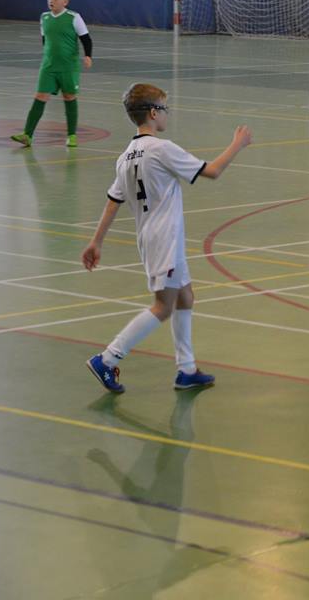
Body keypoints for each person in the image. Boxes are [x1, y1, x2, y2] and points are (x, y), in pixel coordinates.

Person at [81, 83, 253, 393]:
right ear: (152, 113)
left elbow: (113, 201)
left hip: (150, 238)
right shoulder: (162, 149)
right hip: (165, 240)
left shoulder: (125, 157)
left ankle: (187, 369)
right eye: (164, 108)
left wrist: (97, 241)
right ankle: (107, 359)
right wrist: (237, 144)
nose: (167, 114)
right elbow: (212, 171)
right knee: (163, 306)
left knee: (186, 297)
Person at [11, 0, 93, 148]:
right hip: (48, 66)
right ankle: (27, 134)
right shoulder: (44, 18)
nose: (51, 1)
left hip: (68, 67)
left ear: (65, 1)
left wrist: (88, 56)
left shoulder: (73, 17)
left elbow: (86, 39)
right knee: (40, 96)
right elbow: (45, 41)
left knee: (69, 97)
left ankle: (71, 135)